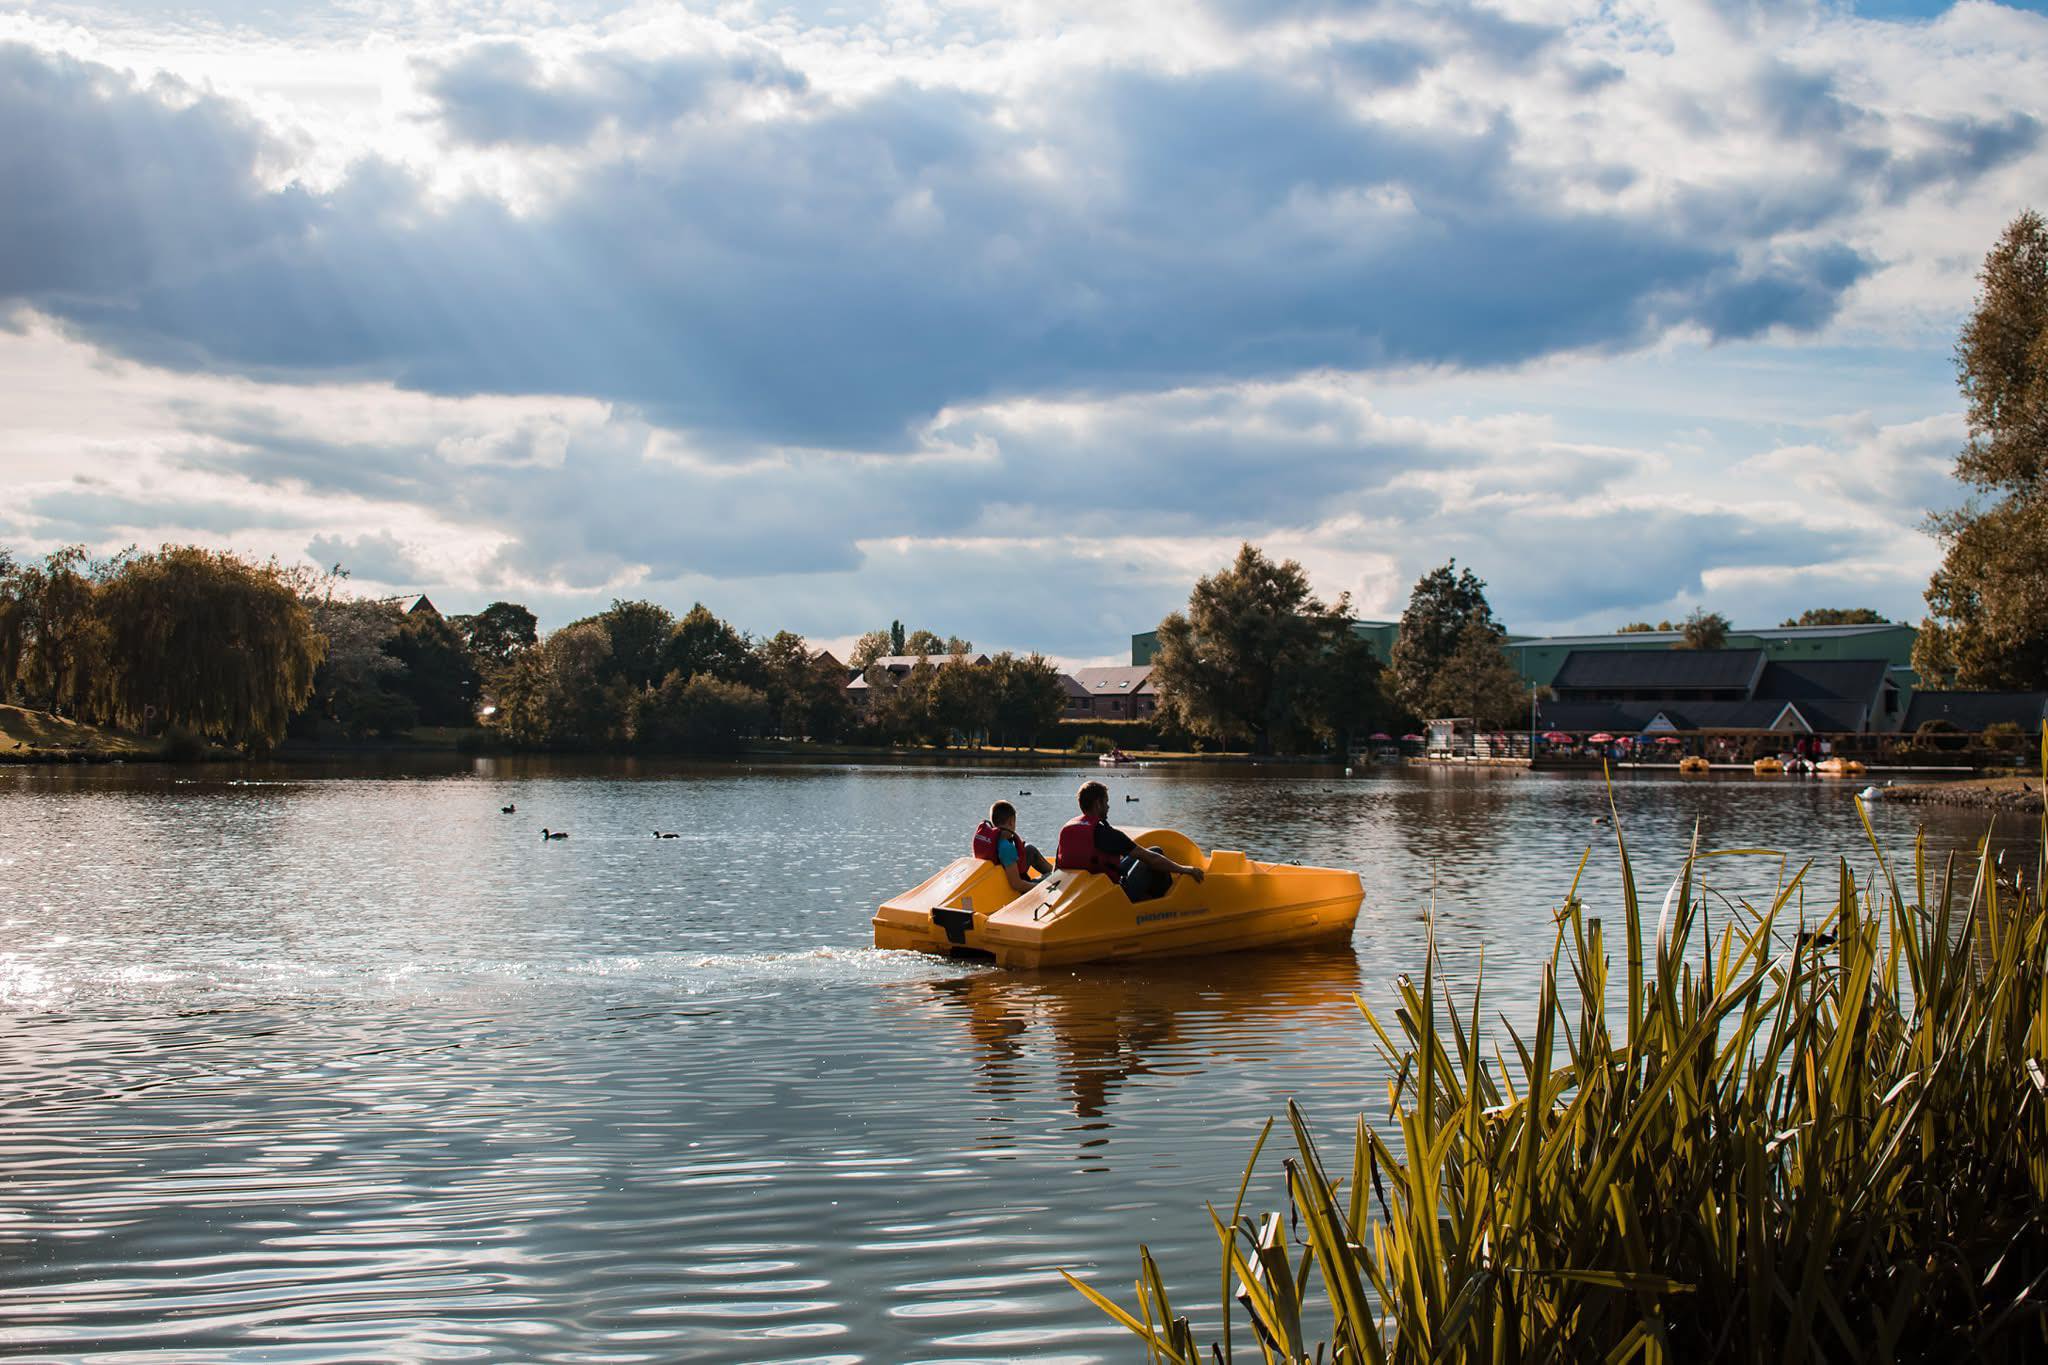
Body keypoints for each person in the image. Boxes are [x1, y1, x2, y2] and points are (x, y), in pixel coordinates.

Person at [1055, 780, 1204, 901]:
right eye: (1106, 802)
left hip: (1082, 890)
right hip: (1114, 896)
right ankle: (1166, 904)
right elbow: (1150, 858)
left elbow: (1057, 868)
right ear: (1098, 804)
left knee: (1130, 857)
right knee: (1155, 852)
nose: (1108, 806)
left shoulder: (1068, 829)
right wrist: (1185, 869)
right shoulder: (1106, 834)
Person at [973, 800, 1053, 896]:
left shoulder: (988, 841)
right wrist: (1040, 887)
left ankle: (1054, 872)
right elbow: (1016, 884)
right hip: (1014, 887)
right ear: (1011, 822)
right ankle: (1057, 875)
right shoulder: (1006, 847)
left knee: (1029, 850)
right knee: (1050, 877)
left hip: (999, 875)